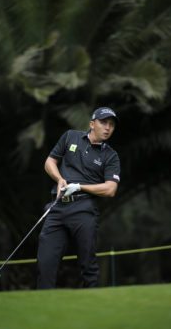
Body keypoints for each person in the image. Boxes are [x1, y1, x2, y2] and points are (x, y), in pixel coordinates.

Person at [37, 106, 121, 289]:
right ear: (92, 124)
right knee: (46, 263)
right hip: (57, 207)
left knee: (88, 265)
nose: (108, 128)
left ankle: (92, 307)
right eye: (103, 122)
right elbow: (50, 161)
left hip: (84, 209)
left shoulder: (111, 156)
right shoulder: (70, 137)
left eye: (111, 125)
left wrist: (79, 186)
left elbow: (110, 189)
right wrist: (59, 179)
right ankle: (42, 305)